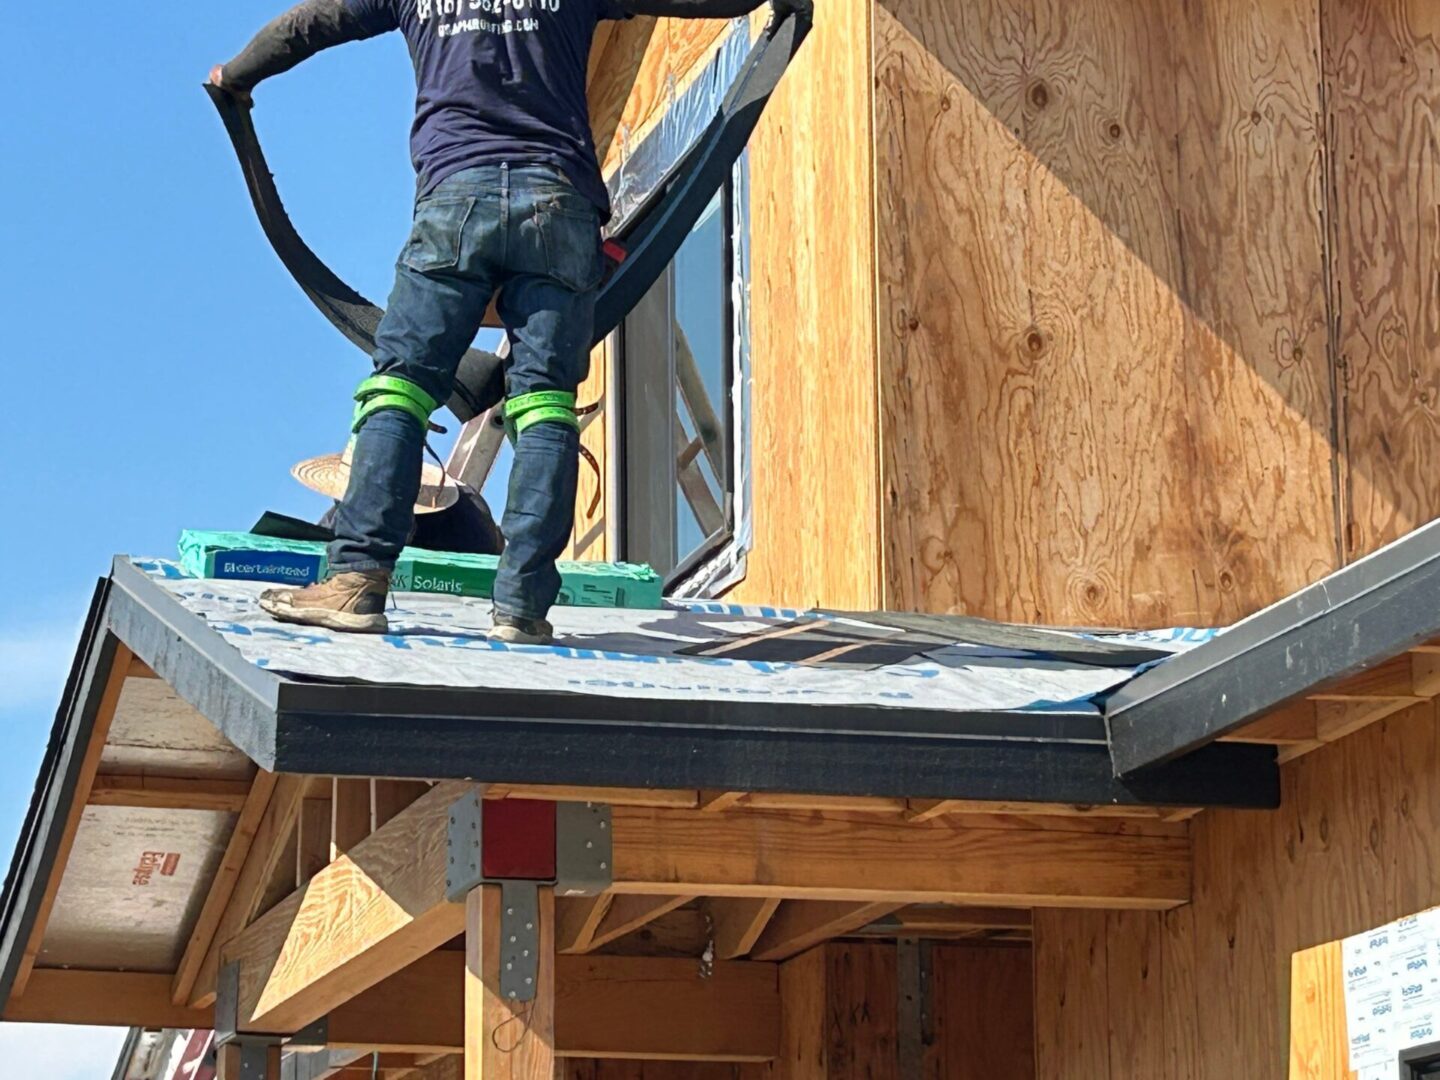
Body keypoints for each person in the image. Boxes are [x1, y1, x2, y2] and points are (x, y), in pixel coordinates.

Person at [212, 0, 810, 643]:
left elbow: (307, 26)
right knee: (545, 402)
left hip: (456, 200)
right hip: (558, 207)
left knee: (401, 386)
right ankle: (523, 606)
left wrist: (237, 76)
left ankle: (357, 578)